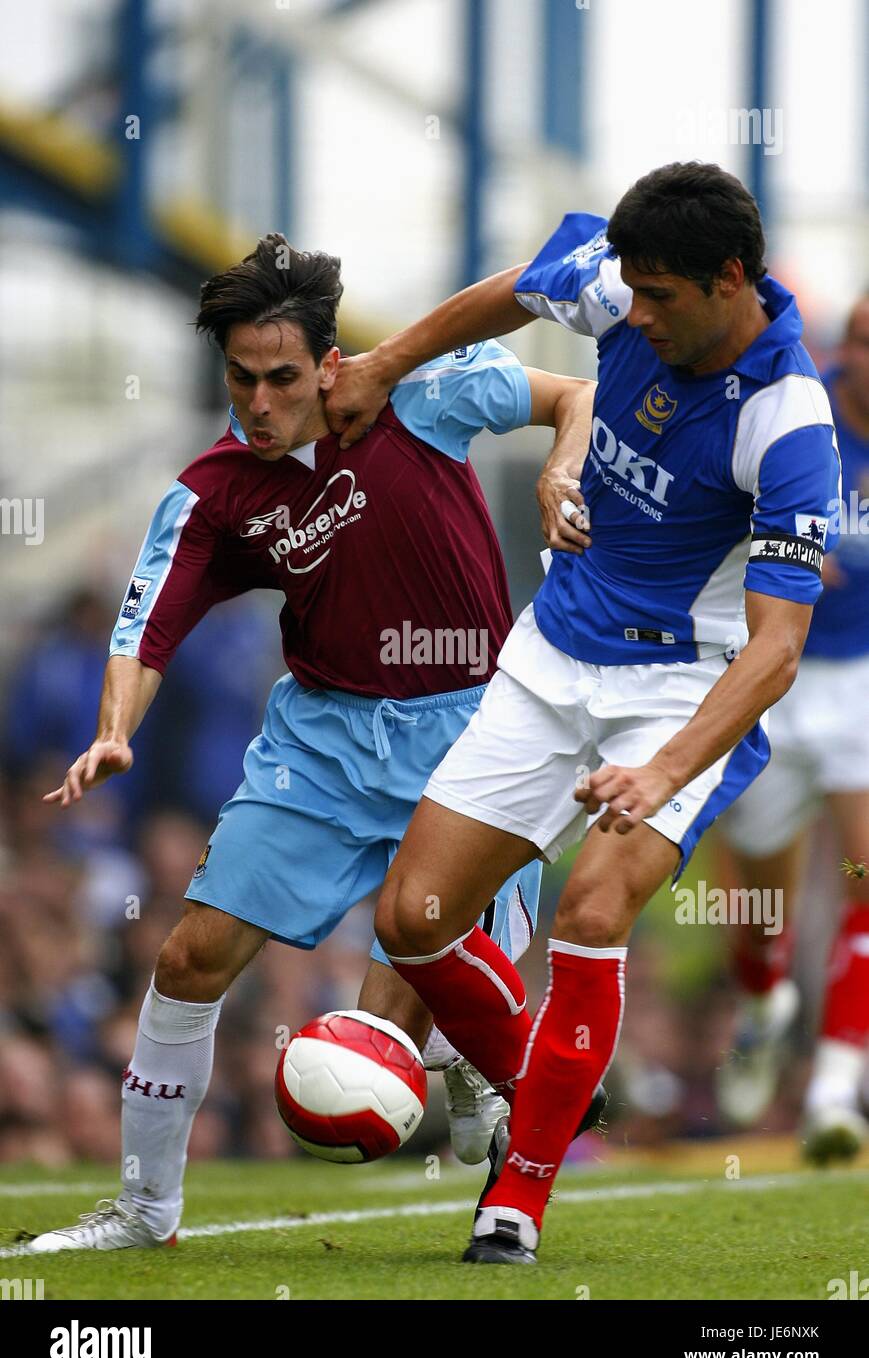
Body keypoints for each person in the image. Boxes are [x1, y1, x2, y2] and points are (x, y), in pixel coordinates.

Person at [28, 233, 596, 1254]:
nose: (258, 399)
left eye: (281, 376)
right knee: (189, 956)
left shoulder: (417, 393)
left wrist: (559, 466)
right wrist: (115, 730)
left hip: (471, 732)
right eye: (239, 377)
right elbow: (144, 624)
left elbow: (569, 396)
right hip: (321, 742)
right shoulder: (211, 493)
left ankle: (481, 1088)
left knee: (398, 998)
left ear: (327, 364)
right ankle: (142, 1208)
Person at [326, 162, 842, 1264]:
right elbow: (511, 289)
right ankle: (538, 1072)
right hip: (551, 657)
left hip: (679, 691)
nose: (632, 310)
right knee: (412, 919)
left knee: (593, 914)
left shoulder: (791, 424)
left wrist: (659, 773)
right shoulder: (620, 287)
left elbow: (775, 649)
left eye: (658, 296)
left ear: (730, 279)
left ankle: (517, 1194)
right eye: (631, 290)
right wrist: (379, 365)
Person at [717, 294, 869, 1160]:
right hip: (777, 674)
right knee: (762, 913)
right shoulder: (796, 406)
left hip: (859, 691)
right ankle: (760, 1001)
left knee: (861, 874)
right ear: (852, 353)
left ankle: (833, 1093)